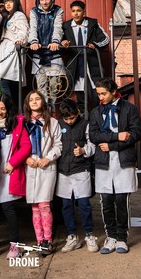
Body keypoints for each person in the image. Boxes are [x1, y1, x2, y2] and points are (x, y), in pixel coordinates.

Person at [88, 78, 141, 254]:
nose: (101, 97)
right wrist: (116, 136)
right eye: (98, 94)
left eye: (103, 93)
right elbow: (94, 136)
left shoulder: (129, 108)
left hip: (123, 160)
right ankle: (110, 237)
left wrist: (113, 145)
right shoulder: (96, 112)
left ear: (113, 91)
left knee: (121, 201)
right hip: (103, 161)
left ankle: (121, 238)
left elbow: (136, 133)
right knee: (106, 202)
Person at [0, 93, 32, 259]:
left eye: (3, 109)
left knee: (8, 208)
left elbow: (26, 146)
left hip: (9, 170)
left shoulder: (18, 123)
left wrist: (13, 162)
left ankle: (15, 245)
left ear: (9, 108)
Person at [56, 99, 98, 253]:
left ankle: (89, 234)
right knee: (66, 205)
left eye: (72, 117)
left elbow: (93, 145)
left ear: (78, 112)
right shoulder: (59, 125)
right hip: (63, 171)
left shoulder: (86, 125)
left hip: (81, 169)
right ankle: (72, 236)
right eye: (66, 119)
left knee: (84, 204)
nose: (69, 121)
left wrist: (83, 151)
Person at [23, 90, 62, 255]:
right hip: (31, 167)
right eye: (31, 99)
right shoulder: (23, 122)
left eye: (37, 98)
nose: (34, 101)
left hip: (46, 167)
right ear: (27, 103)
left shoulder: (52, 122)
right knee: (34, 206)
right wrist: (26, 159)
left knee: (44, 205)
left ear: (43, 102)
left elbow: (58, 145)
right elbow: (18, 145)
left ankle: (48, 240)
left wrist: (48, 158)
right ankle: (39, 241)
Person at [60, 0, 110, 114]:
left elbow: (106, 39)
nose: (76, 14)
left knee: (96, 96)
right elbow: (59, 44)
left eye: (79, 11)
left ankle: (100, 119)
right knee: (80, 98)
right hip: (76, 67)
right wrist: (63, 44)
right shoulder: (66, 26)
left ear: (84, 12)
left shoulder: (92, 24)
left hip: (91, 65)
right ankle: (84, 124)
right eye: (73, 11)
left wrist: (95, 45)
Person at [28, 0, 64, 109]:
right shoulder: (34, 12)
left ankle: (52, 112)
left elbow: (58, 28)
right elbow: (32, 28)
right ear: (39, 0)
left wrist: (55, 41)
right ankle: (43, 112)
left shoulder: (58, 10)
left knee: (54, 86)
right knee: (41, 85)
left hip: (54, 54)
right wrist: (33, 41)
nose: (44, 2)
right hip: (39, 54)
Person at [0, 0, 29, 101]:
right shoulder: (7, 16)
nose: (8, 4)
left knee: (6, 80)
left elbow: (23, 31)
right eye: (6, 2)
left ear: (16, 2)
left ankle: (11, 109)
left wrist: (20, 40)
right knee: (5, 79)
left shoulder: (19, 15)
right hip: (4, 49)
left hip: (13, 48)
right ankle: (11, 109)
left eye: (10, 1)